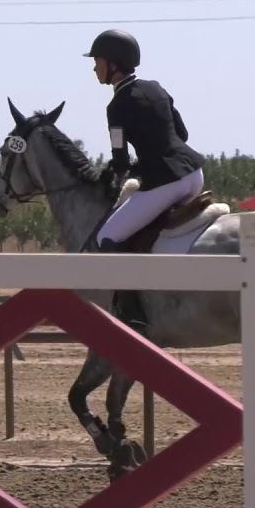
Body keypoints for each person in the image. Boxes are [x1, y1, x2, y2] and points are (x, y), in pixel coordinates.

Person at [83, 28, 207, 334]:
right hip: (194, 174)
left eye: (97, 61)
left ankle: (133, 313)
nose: (94, 67)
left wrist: (110, 176)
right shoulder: (156, 88)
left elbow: (120, 161)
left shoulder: (115, 107)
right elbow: (183, 135)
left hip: (167, 182)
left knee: (107, 238)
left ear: (113, 64)